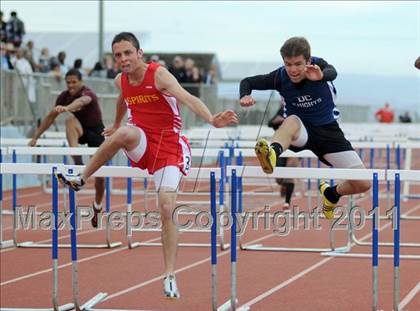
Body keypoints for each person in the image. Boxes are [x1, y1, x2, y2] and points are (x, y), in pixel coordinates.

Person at [56, 32, 238, 299]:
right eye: (118, 55)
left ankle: (170, 275)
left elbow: (187, 98)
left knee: (166, 206)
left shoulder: (159, 75)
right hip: (143, 141)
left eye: (127, 53)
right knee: (124, 134)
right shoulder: (121, 79)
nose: (123, 59)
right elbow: (122, 99)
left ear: (139, 53)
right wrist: (117, 123)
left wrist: (211, 119)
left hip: (169, 146)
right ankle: (81, 178)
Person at [239, 36, 370, 220]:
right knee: (291, 120)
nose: (292, 69)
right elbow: (248, 82)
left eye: (298, 64)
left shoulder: (317, 65)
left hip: (328, 132)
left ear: (308, 60)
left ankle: (332, 194)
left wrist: (321, 76)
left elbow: (333, 72)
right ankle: (272, 153)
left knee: (364, 182)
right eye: (288, 64)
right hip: (301, 130)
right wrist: (244, 95)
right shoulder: (279, 76)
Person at [29, 68, 106, 228]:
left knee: (100, 175)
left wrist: (67, 107)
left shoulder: (88, 93)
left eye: (74, 82)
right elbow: (50, 117)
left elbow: (82, 102)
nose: (71, 85)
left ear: (81, 81)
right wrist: (36, 137)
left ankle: (98, 205)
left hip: (96, 132)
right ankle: (77, 165)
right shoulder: (63, 96)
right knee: (69, 121)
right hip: (80, 130)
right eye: (68, 82)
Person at [267, 103, 299, 210]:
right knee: (278, 175)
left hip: (295, 147)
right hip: (281, 145)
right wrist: (278, 121)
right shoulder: (282, 109)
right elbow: (270, 123)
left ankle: (287, 202)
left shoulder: (302, 108)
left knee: (289, 174)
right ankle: (283, 184)